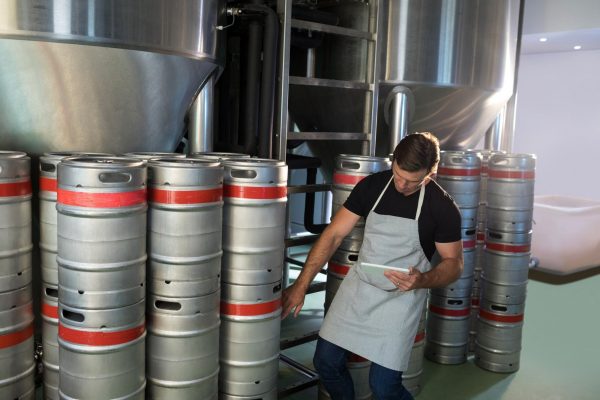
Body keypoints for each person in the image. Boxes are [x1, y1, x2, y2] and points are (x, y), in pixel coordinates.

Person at [282, 132, 463, 400]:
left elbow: (454, 264)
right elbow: (333, 235)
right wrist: (300, 285)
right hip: (360, 288)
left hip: (400, 298)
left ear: (431, 173)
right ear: (394, 161)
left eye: (412, 181)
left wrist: (423, 280)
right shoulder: (372, 186)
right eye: (398, 174)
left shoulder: (442, 207)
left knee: (384, 387)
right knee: (326, 363)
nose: (401, 185)